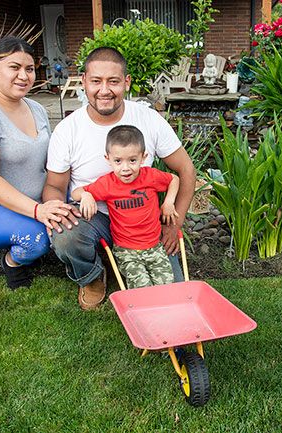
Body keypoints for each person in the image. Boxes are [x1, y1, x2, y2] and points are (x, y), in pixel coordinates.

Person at [43, 47, 196, 310]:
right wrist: (55, 212)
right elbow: (55, 186)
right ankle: (91, 276)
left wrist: (174, 223)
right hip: (96, 216)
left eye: (113, 81)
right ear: (84, 82)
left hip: (145, 219)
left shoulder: (147, 118)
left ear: (126, 82)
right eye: (96, 81)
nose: (104, 90)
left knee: (174, 293)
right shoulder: (68, 129)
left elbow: (185, 170)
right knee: (65, 233)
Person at [0, 36, 74, 289]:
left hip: (35, 202)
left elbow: (50, 162)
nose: (23, 76)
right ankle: (13, 262)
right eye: (14, 67)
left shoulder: (36, 108)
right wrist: (38, 211)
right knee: (38, 239)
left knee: (79, 215)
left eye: (29, 69)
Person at [72, 125, 179, 289]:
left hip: (154, 246)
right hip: (126, 250)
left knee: (166, 286)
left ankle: (161, 312)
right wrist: (86, 195)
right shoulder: (107, 184)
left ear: (143, 158)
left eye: (132, 160)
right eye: (118, 161)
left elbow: (174, 179)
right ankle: (143, 312)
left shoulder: (150, 177)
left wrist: (169, 202)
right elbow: (76, 193)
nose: (126, 168)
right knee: (142, 287)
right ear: (108, 159)